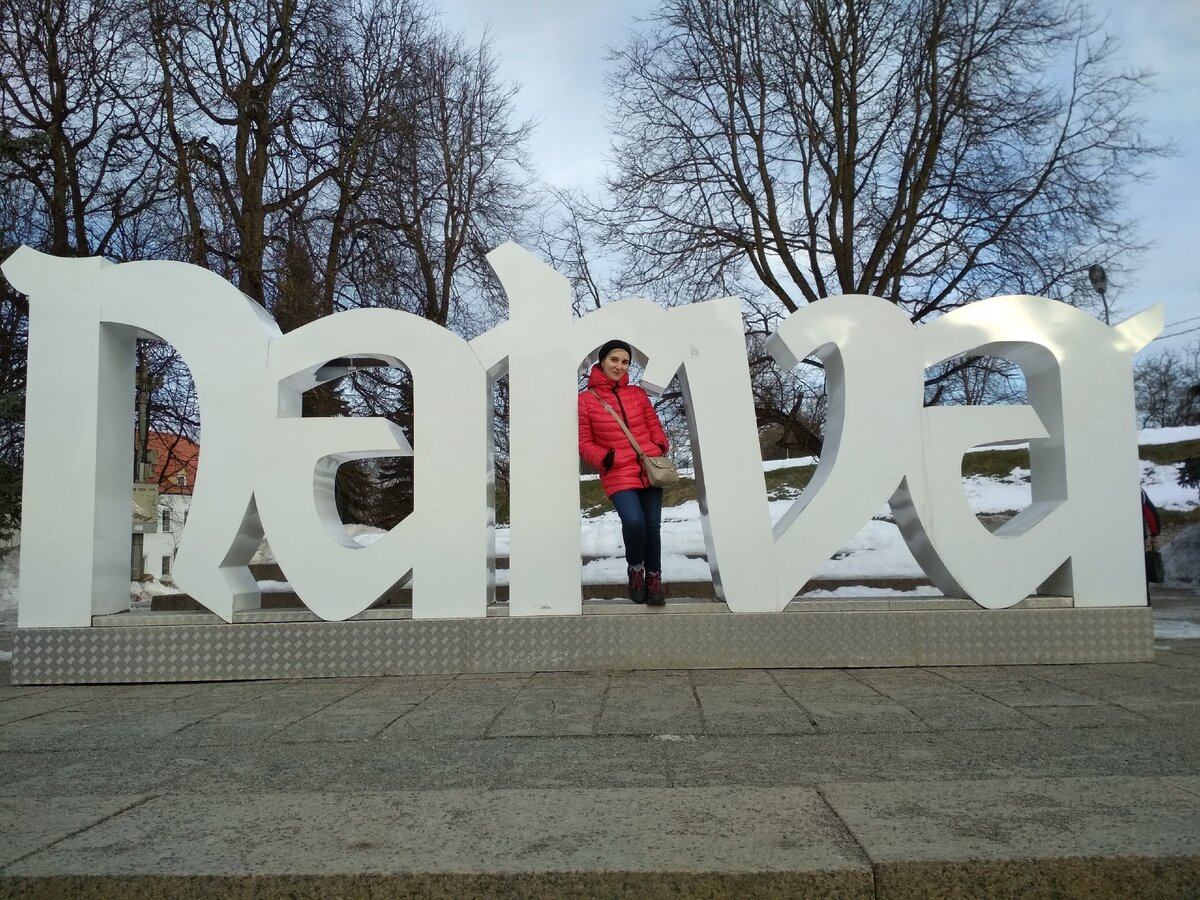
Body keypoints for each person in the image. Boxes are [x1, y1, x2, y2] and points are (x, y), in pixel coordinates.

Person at [578, 339, 670, 605]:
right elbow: (584, 442)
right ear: (602, 361)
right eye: (614, 360)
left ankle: (654, 579)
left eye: (625, 361)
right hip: (617, 470)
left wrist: (659, 445)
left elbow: (653, 425)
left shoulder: (638, 394)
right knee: (634, 522)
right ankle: (636, 569)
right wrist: (606, 457)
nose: (619, 366)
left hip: (649, 469)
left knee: (652, 527)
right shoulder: (586, 400)